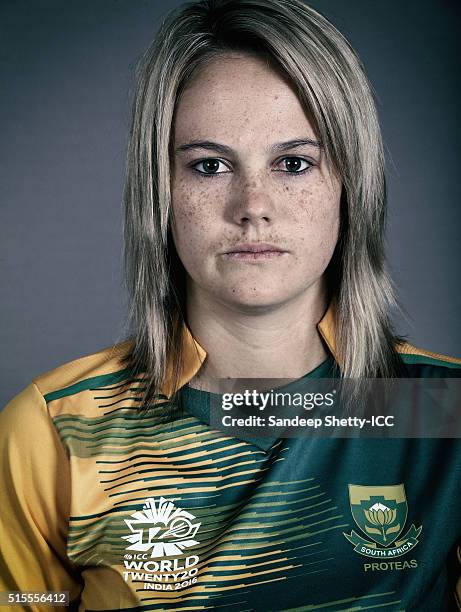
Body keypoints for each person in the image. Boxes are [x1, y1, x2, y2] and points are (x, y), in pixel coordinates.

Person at [1, 0, 460, 610]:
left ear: (352, 186)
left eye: (294, 163)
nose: (253, 205)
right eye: (210, 165)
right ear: (160, 190)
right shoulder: (53, 429)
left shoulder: (444, 412)